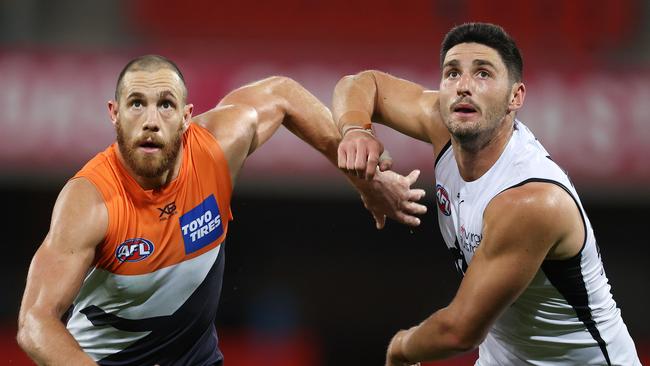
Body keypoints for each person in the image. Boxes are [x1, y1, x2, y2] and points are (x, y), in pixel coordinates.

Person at [16, 55, 426, 365]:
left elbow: (283, 95)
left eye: (166, 105)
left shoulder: (214, 150)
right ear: (114, 114)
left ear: (186, 118)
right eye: (136, 104)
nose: (151, 120)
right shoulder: (89, 200)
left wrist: (366, 182)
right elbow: (35, 323)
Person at [333, 23, 641, 366]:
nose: (463, 86)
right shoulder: (441, 121)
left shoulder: (530, 199)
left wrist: (401, 348)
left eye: (483, 73)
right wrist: (355, 130)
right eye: (452, 73)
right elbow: (362, 83)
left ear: (515, 97)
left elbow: (460, 331)